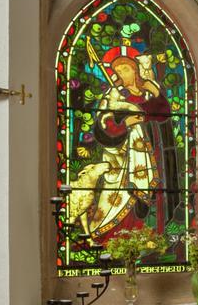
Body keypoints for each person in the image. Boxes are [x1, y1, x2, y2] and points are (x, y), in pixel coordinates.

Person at [65, 41, 173, 244]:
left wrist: (153, 91)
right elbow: (103, 127)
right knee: (120, 197)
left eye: (126, 68)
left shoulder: (148, 93)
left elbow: (163, 113)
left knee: (150, 192)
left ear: (135, 70)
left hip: (149, 153)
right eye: (118, 70)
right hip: (121, 157)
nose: (122, 73)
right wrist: (125, 123)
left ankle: (150, 240)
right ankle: (113, 241)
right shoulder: (113, 96)